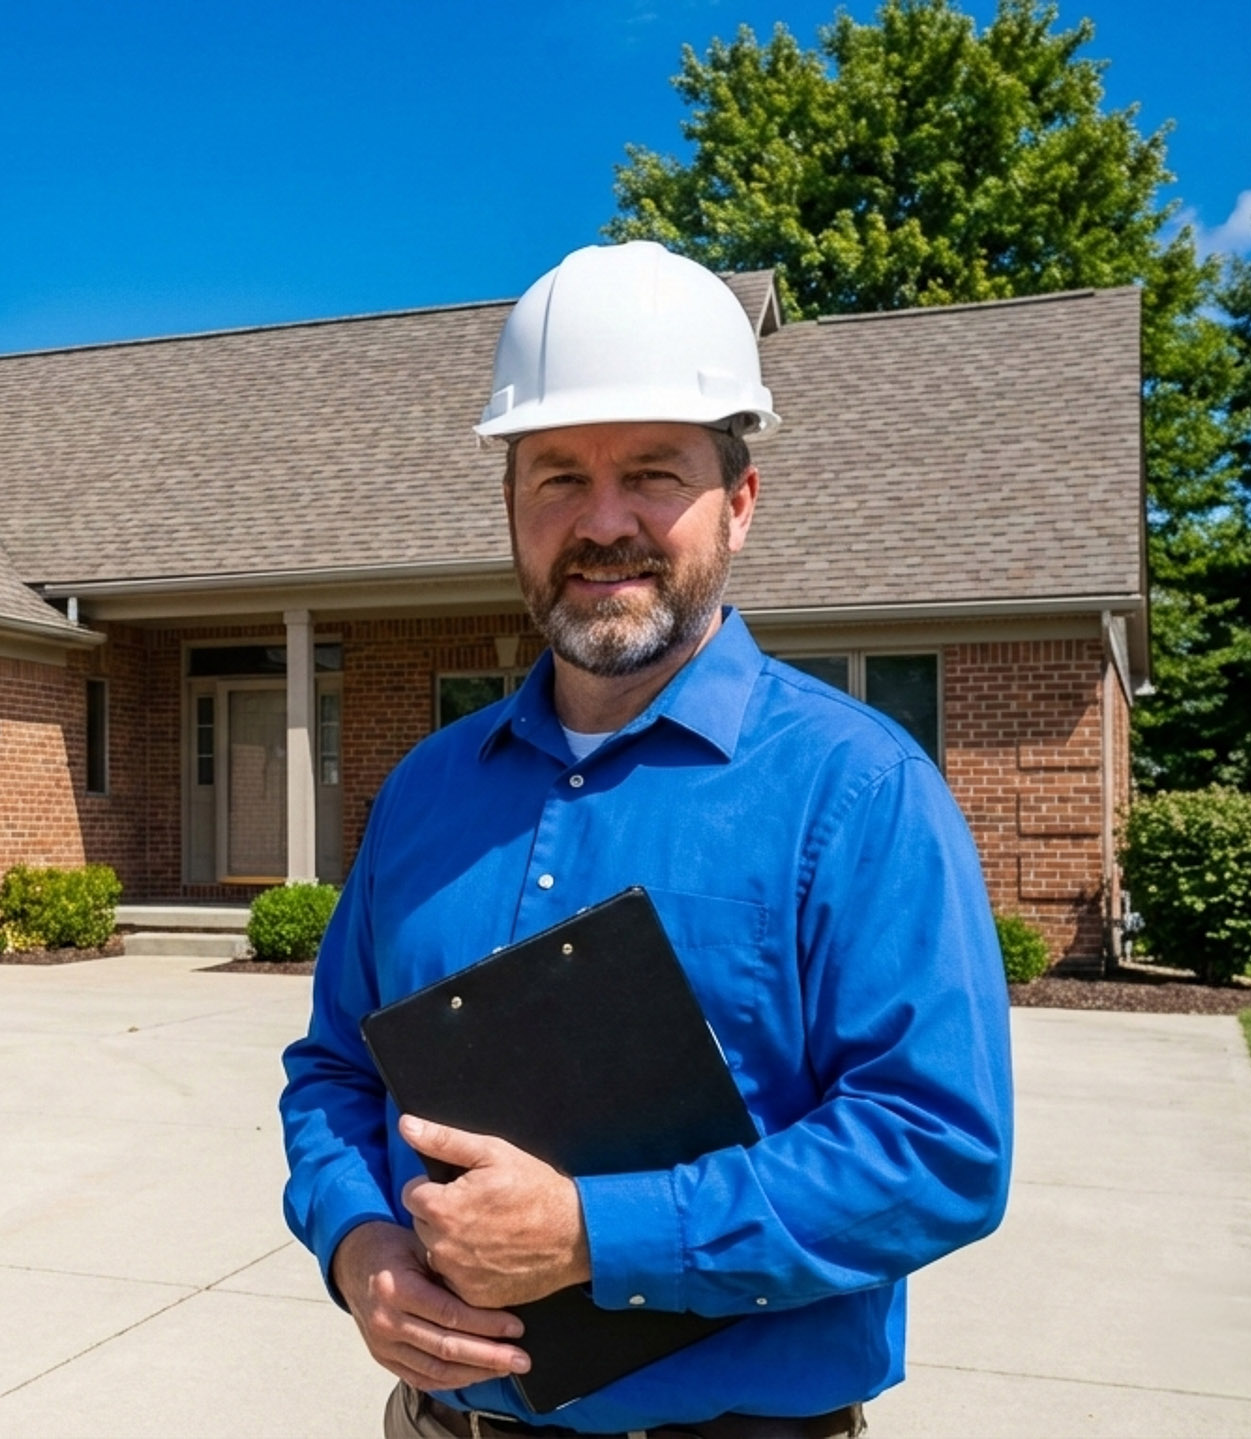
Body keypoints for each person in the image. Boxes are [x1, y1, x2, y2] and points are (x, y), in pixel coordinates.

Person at [279, 241, 1014, 1437]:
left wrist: (591, 1233)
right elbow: (334, 1075)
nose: (602, 520)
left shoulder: (857, 789)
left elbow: (936, 1148)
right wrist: (359, 1242)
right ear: (512, 506)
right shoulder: (422, 792)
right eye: (558, 476)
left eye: (653, 474)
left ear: (739, 500)